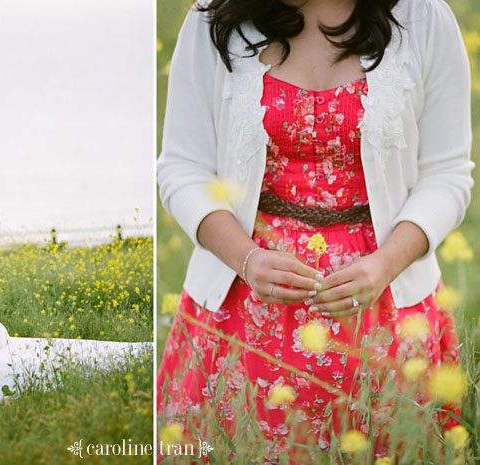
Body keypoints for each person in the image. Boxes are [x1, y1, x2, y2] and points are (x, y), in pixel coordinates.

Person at [157, 0, 474, 461]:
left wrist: (385, 264)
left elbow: (447, 174)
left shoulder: (424, 17)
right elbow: (182, 169)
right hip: (242, 309)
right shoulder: (212, 18)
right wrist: (247, 260)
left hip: (386, 305)